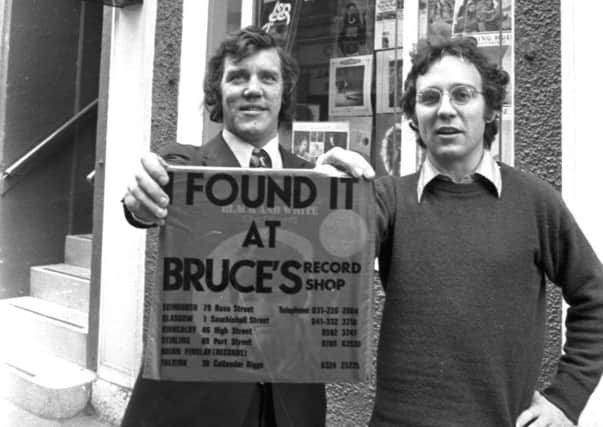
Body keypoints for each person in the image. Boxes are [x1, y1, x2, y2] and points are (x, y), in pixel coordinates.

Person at [121, 26, 372, 427]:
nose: (252, 89)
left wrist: (354, 196)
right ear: (218, 93)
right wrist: (140, 201)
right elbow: (146, 197)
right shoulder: (185, 167)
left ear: (283, 93)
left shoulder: (318, 182)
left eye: (267, 78)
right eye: (238, 77)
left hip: (290, 406)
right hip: (193, 405)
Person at [371, 37, 603, 426]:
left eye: (462, 95)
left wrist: (566, 399)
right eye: (429, 98)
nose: (445, 110)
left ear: (491, 108)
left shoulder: (534, 201)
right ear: (413, 116)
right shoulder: (389, 199)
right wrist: (335, 192)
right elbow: (329, 255)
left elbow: (595, 298)